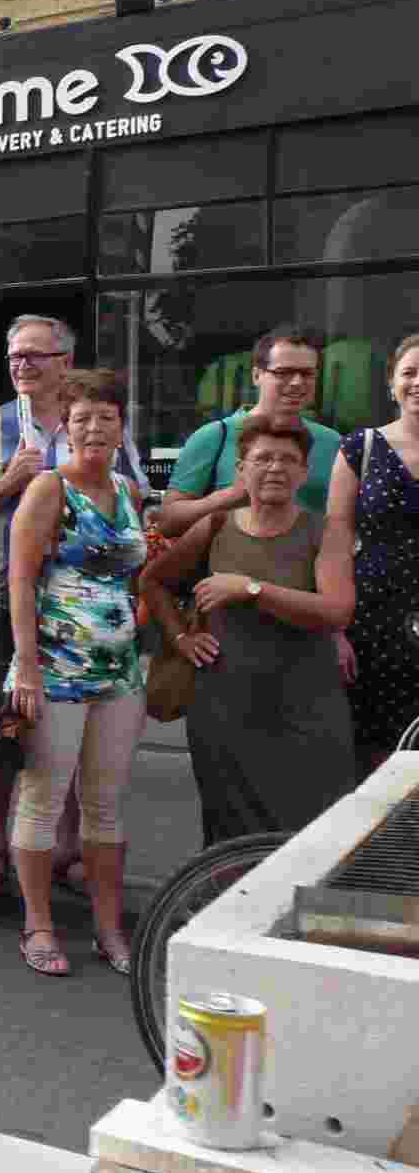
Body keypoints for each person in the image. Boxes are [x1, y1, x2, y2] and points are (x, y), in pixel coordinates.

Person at [0, 316, 144, 894]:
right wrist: (9, 483)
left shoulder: (99, 421)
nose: (22, 365)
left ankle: (64, 848)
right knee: (0, 730)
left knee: (67, 742)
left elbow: (133, 502)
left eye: (36, 355)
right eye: (14, 356)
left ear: (66, 361)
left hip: (91, 619)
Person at [144, 415, 355, 843]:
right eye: (263, 458)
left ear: (303, 472)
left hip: (306, 705)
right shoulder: (215, 525)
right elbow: (152, 581)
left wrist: (252, 589)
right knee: (228, 833)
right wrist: (182, 638)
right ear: (241, 470)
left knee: (314, 833)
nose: (275, 468)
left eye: (287, 459)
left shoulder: (324, 532)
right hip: (225, 707)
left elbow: (337, 611)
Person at [6, 370, 149, 978]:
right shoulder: (47, 489)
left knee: (107, 806)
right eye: (82, 418)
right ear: (65, 427)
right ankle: (38, 924)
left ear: (122, 426)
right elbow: (19, 578)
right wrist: (29, 668)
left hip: (120, 674)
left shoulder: (128, 492)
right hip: (55, 673)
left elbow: (135, 576)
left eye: (106, 418)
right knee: (43, 797)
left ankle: (108, 926)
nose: (94, 429)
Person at [327, 332, 419, 776]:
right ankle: (381, 845)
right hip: (371, 621)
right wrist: (336, 629)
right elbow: (336, 539)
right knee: (372, 756)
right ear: (391, 384)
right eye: (410, 373)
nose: (418, 382)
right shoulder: (359, 448)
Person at [155, 326, 342, 535]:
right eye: (283, 372)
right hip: (229, 565)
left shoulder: (332, 442)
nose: (297, 382)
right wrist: (229, 497)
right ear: (256, 375)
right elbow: (167, 521)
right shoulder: (214, 436)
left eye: (307, 373)